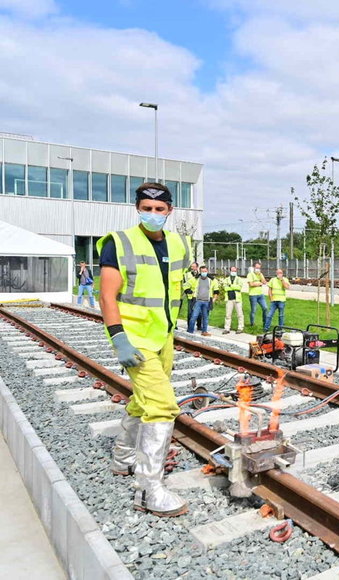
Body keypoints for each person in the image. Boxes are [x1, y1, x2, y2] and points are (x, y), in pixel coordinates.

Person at [97, 181, 191, 517]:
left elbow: (176, 284)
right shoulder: (119, 243)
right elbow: (108, 296)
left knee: (143, 400)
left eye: (159, 209)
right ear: (138, 208)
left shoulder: (180, 244)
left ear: (169, 211)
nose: (152, 214)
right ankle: (148, 490)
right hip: (134, 338)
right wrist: (118, 337)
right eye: (146, 209)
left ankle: (122, 457)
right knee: (164, 407)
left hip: (164, 337)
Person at [187, 265, 220, 336]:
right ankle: (190, 331)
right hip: (197, 301)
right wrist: (190, 292)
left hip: (207, 301)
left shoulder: (212, 280)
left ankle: (204, 331)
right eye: (202, 271)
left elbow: (216, 290)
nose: (204, 273)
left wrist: (214, 299)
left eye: (205, 271)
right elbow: (186, 285)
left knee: (205, 317)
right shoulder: (195, 279)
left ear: (207, 271)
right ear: (200, 271)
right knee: (194, 316)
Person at [221, 266, 245, 334]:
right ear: (230, 271)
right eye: (232, 271)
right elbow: (225, 288)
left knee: (240, 314)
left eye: (234, 271)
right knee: (228, 314)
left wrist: (230, 286)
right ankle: (227, 328)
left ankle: (240, 328)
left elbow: (239, 287)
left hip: (237, 299)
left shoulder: (239, 279)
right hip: (229, 299)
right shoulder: (226, 279)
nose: (233, 272)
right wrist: (233, 287)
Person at [247, 262, 267, 328]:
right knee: (254, 310)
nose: (258, 269)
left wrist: (261, 275)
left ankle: (265, 322)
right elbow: (251, 284)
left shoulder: (260, 274)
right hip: (253, 295)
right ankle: (252, 323)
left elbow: (264, 282)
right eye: (257, 268)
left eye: (259, 268)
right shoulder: (250, 274)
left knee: (265, 308)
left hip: (260, 294)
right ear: (254, 268)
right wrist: (259, 283)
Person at [182, 262, 201, 331]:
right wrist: (188, 291)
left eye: (194, 266)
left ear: (197, 267)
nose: (192, 268)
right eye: (192, 266)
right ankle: (189, 326)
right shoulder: (187, 275)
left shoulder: (201, 274)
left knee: (200, 312)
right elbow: (185, 284)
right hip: (191, 296)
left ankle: (199, 326)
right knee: (190, 312)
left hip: (199, 296)